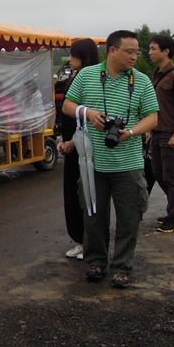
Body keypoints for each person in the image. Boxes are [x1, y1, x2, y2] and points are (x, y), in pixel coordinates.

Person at [61, 30, 159, 289]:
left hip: (129, 164)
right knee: (93, 216)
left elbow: (152, 117)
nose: (135, 57)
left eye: (137, 52)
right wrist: (88, 112)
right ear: (113, 51)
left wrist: (132, 132)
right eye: (130, 51)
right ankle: (96, 262)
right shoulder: (88, 75)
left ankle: (123, 267)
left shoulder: (141, 81)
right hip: (93, 163)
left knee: (129, 218)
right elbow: (68, 106)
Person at [56, 38, 101, 260]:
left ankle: (90, 242)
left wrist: (73, 142)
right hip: (72, 145)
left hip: (85, 146)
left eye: (74, 56)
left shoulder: (94, 81)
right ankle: (81, 240)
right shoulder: (73, 76)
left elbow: (90, 119)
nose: (70, 60)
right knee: (74, 194)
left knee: (88, 194)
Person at [147, 34, 174, 234]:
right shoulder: (156, 74)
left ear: (166, 51)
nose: (150, 53)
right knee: (158, 173)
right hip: (156, 132)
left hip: (170, 134)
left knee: (171, 176)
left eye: (153, 49)